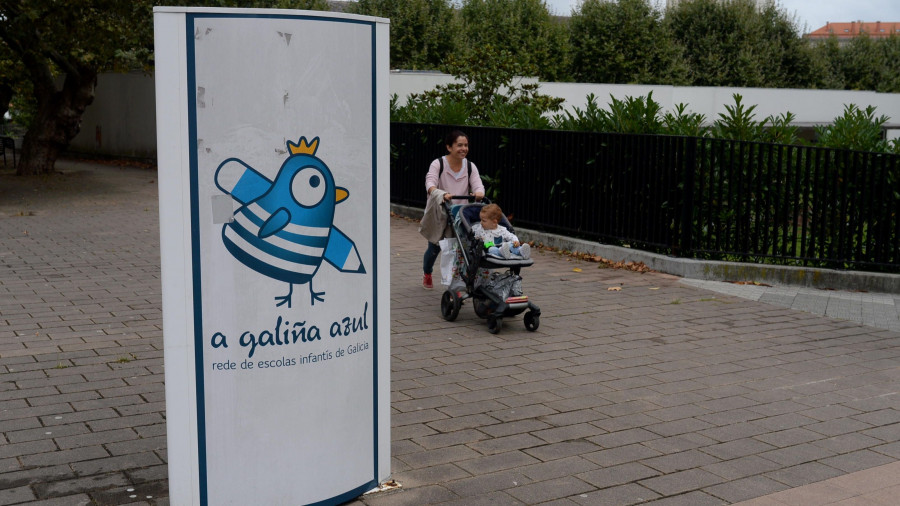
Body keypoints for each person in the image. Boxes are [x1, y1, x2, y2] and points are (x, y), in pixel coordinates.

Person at [422, 130, 485, 289]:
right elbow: (430, 183)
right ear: (449, 147)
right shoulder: (438, 164)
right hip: (441, 212)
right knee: (434, 248)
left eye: (466, 145)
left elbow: (478, 185)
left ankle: (456, 283)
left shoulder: (470, 166)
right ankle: (427, 272)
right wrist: (440, 194)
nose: (464, 148)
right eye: (459, 145)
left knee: (460, 250)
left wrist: (479, 194)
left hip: (460, 214)